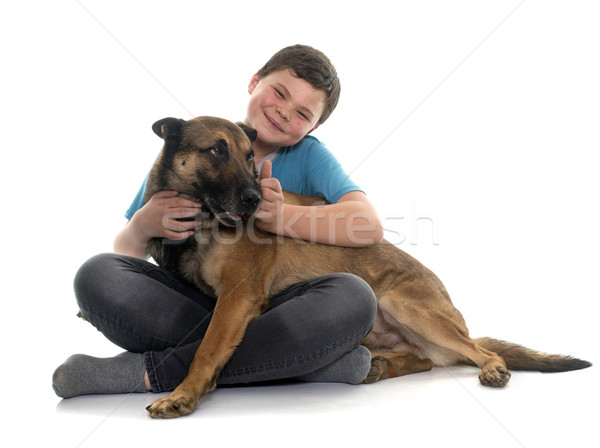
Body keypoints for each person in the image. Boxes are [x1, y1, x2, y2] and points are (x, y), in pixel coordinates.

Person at [53, 44, 383, 399]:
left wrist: (282, 217)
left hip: (279, 313)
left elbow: (368, 225)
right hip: (200, 313)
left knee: (354, 297)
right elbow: (128, 258)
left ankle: (152, 372)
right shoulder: (195, 142)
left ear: (313, 126)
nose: (285, 112)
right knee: (97, 274)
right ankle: (299, 366)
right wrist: (141, 227)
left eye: (302, 113)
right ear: (254, 81)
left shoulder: (309, 156)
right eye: (279, 93)